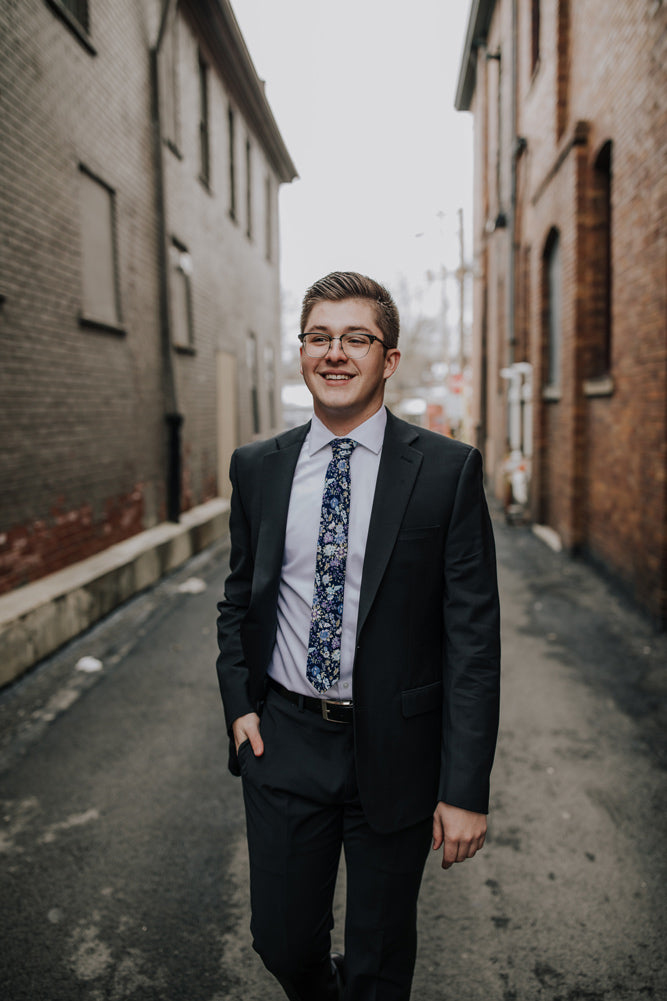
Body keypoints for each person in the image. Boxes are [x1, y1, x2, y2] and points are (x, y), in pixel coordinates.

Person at [216, 271, 500, 1001]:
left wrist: (463, 787)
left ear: (389, 358)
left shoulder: (445, 470)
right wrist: (239, 705)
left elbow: (471, 638)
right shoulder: (257, 468)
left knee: (378, 960)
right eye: (318, 337)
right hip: (284, 741)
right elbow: (238, 598)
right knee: (279, 940)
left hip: (395, 749)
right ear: (301, 351)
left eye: (356, 338)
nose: (334, 353)